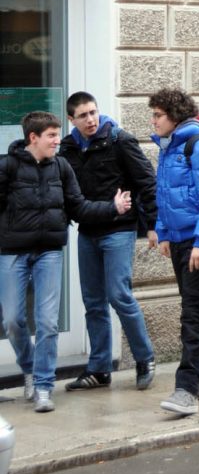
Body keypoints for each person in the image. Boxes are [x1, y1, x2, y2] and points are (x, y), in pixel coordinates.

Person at [0, 111, 131, 413]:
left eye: (58, 135)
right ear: (33, 138)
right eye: (51, 136)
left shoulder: (61, 167)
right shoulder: (7, 167)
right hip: (12, 252)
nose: (58, 141)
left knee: (47, 322)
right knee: (12, 320)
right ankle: (30, 368)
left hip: (49, 252)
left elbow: (79, 207)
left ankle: (43, 386)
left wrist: (112, 208)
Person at [59, 92, 158, 392]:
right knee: (93, 302)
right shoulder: (67, 148)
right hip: (88, 232)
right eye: (83, 116)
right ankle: (100, 369)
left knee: (118, 294)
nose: (90, 120)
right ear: (71, 120)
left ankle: (145, 359)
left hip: (119, 230)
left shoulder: (119, 140)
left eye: (93, 112)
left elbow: (146, 181)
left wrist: (154, 226)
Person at [149, 88, 199, 416]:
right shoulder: (168, 150)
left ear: (175, 116)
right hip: (183, 241)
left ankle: (187, 389)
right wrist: (165, 232)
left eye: (157, 115)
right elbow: (166, 195)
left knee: (193, 313)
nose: (153, 121)